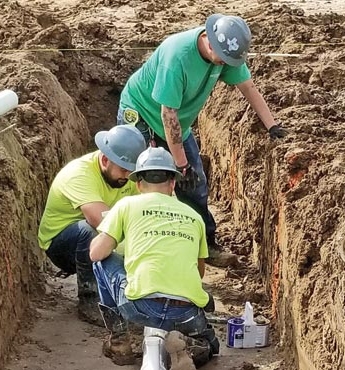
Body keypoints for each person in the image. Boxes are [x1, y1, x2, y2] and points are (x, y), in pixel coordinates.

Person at [117, 14, 288, 265]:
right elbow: (168, 114)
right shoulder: (177, 56)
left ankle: (205, 244)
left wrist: (272, 125)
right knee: (144, 182)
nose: (223, 63)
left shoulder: (227, 52)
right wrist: (180, 164)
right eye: (221, 57)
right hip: (142, 115)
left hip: (178, 123)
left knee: (195, 186)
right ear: (208, 39)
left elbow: (248, 87)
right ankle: (132, 244)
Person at [90, 147, 219, 367]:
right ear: (172, 184)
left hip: (140, 307)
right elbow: (199, 272)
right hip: (185, 311)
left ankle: (119, 342)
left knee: (103, 262)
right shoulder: (195, 216)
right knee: (211, 345)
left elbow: (96, 254)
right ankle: (186, 344)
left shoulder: (127, 205)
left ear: (138, 183)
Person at [37, 125, 146, 325]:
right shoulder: (79, 174)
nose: (127, 177)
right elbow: (102, 223)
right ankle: (89, 300)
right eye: (123, 170)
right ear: (105, 160)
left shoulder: (127, 174)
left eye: (132, 172)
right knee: (90, 232)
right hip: (63, 244)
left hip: (104, 238)